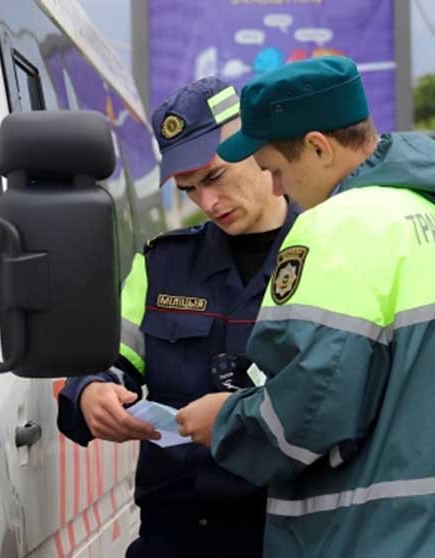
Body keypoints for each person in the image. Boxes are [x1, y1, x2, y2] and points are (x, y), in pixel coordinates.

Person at [175, 56, 435, 558]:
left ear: (318, 147)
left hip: (382, 538)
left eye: (275, 170)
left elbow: (310, 410)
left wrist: (228, 423)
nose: (277, 189)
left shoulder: (340, 226)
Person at [57, 76, 298, 558]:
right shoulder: (161, 265)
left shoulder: (329, 252)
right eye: (189, 190)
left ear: (255, 145)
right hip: (177, 537)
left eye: (214, 177)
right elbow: (108, 357)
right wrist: (92, 391)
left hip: (289, 538)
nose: (206, 203)